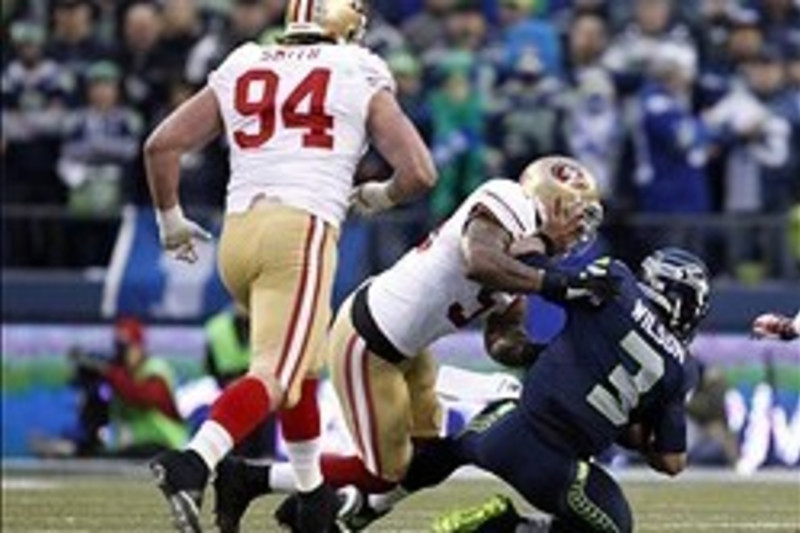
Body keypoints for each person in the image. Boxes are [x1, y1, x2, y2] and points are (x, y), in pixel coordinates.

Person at [144, 0, 437, 531]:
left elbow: (162, 146)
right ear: (343, 22)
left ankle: (312, 494)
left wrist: (171, 223)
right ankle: (192, 462)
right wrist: (379, 195)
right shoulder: (358, 67)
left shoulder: (243, 60)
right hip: (298, 233)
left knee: (301, 370)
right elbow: (419, 172)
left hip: (239, 236)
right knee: (278, 374)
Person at [212, 155, 616, 532]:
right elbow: (481, 260)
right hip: (370, 340)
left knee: (429, 459)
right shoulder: (507, 199)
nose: (580, 230)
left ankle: (330, 509)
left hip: (410, 346)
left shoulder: (524, 266)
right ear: (549, 204)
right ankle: (250, 478)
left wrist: (534, 353)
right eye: (575, 215)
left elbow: (501, 339)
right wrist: (555, 272)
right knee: (386, 470)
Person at [381, 248, 711, 533]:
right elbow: (672, 461)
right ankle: (506, 527)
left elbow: (540, 271)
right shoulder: (682, 369)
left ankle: (365, 506)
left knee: (449, 450)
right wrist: (626, 426)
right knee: (614, 526)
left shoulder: (616, 283)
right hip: (556, 471)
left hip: (504, 432)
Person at [67, 317, 188, 458]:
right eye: (119, 348)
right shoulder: (120, 376)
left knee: (125, 456)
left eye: (126, 348)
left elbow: (140, 397)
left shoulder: (155, 370)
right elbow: (101, 410)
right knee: (99, 456)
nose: (122, 354)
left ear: (139, 347)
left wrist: (108, 372)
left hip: (166, 448)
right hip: (135, 450)